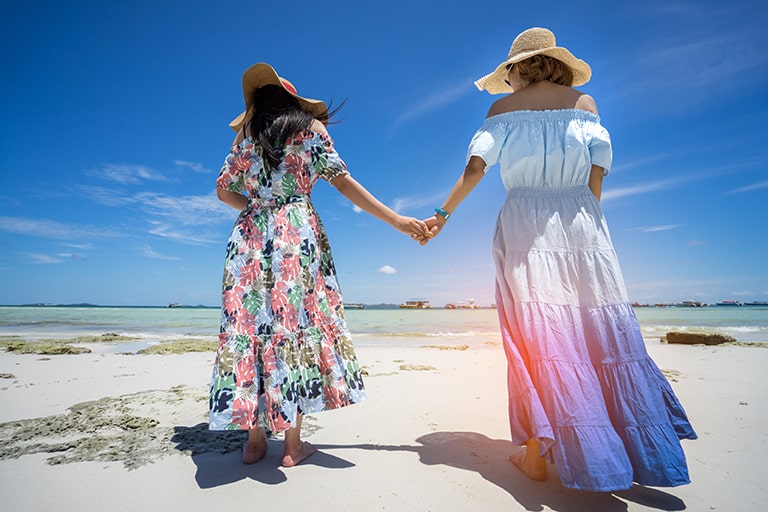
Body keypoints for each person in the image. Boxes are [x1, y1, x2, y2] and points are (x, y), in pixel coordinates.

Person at [420, 28, 697, 491]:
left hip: (525, 221)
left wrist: (442, 215)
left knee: (536, 334)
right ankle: (633, 453)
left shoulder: (501, 111)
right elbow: (597, 172)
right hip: (584, 223)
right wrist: (587, 223)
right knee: (601, 331)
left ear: (515, 70)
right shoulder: (585, 106)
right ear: (556, 64)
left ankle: (536, 456)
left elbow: (475, 168)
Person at [209, 63, 430, 467]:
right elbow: (343, 182)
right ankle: (293, 446)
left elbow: (224, 191)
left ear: (257, 103)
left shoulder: (245, 136)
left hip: (249, 238)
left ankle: (254, 440)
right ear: (292, 101)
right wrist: (398, 221)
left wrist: (257, 208)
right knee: (293, 326)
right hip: (297, 234)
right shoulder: (311, 129)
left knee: (250, 328)